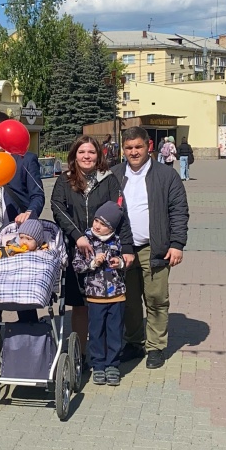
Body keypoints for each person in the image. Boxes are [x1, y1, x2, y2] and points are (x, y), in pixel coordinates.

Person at [118, 127, 188, 370]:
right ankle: (134, 341)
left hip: (155, 248)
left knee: (156, 298)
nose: (134, 152)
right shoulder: (115, 174)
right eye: (129, 148)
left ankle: (156, 346)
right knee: (128, 300)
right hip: (124, 249)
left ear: (148, 146)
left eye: (138, 147)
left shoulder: (165, 175)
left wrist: (177, 244)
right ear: (123, 149)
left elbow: (179, 211)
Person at [51, 136, 124, 362]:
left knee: (105, 305)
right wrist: (78, 236)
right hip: (77, 250)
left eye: (91, 152)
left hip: (106, 249)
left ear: (98, 155)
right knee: (80, 305)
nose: (86, 156)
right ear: (74, 155)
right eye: (82, 152)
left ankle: (103, 357)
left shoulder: (109, 179)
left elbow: (119, 210)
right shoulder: (65, 180)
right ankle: (79, 354)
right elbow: (57, 208)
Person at [73, 201, 132, 387]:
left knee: (114, 331)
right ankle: (98, 365)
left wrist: (120, 263)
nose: (97, 225)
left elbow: (127, 262)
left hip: (117, 295)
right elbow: (77, 265)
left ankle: (112, 365)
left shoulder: (118, 241)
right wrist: (92, 264)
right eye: (96, 220)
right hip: (95, 296)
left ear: (112, 227)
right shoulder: (86, 240)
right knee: (96, 332)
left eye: (103, 224)